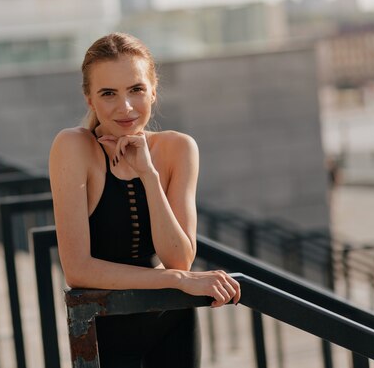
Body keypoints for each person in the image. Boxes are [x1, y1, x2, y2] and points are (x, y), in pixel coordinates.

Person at [49, 32, 241, 368]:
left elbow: (179, 258)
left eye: (136, 89)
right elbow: (77, 269)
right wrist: (173, 280)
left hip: (173, 326)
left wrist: (149, 175)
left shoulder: (177, 149)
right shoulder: (73, 147)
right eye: (108, 93)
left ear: (153, 89)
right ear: (89, 100)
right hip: (105, 331)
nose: (125, 107)